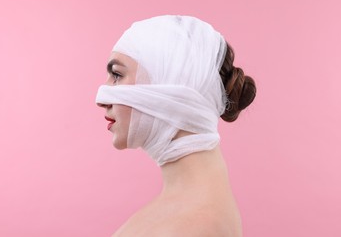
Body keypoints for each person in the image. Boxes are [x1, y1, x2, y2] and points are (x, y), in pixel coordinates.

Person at [96, 15, 256, 236]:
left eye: (117, 75)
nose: (101, 98)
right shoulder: (181, 211)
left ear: (172, 83)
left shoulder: (196, 226)